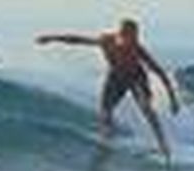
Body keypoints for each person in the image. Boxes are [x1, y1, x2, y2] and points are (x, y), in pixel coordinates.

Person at [35, 18, 180, 163]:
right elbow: (77, 40)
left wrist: (173, 100)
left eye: (136, 37)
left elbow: (159, 72)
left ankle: (163, 145)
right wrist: (51, 38)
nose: (134, 41)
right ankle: (107, 139)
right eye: (132, 37)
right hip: (116, 77)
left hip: (136, 77)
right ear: (122, 33)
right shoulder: (106, 41)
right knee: (105, 111)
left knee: (146, 108)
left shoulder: (138, 49)